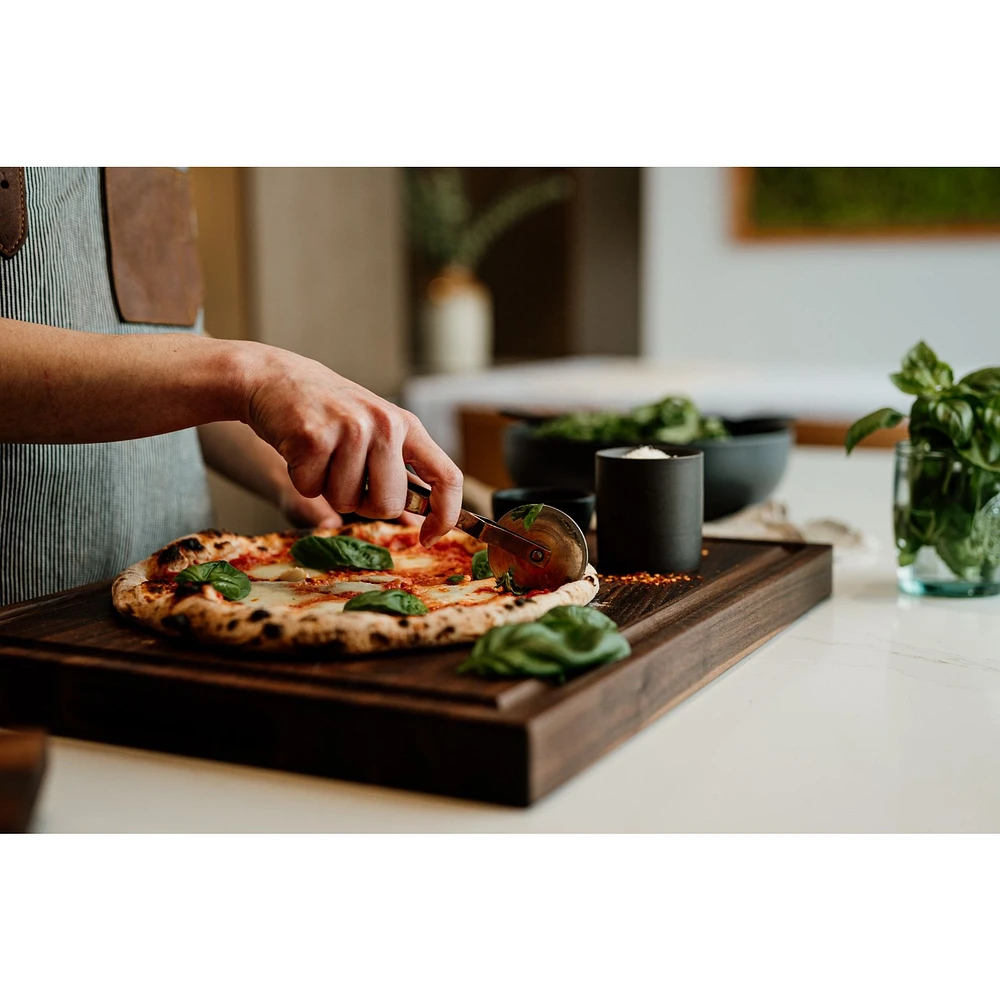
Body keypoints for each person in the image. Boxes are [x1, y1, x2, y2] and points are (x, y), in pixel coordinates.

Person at [0, 167, 463, 606]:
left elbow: (168, 361)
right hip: (20, 607)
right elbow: (219, 378)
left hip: (187, 586)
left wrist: (299, 469)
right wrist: (250, 374)